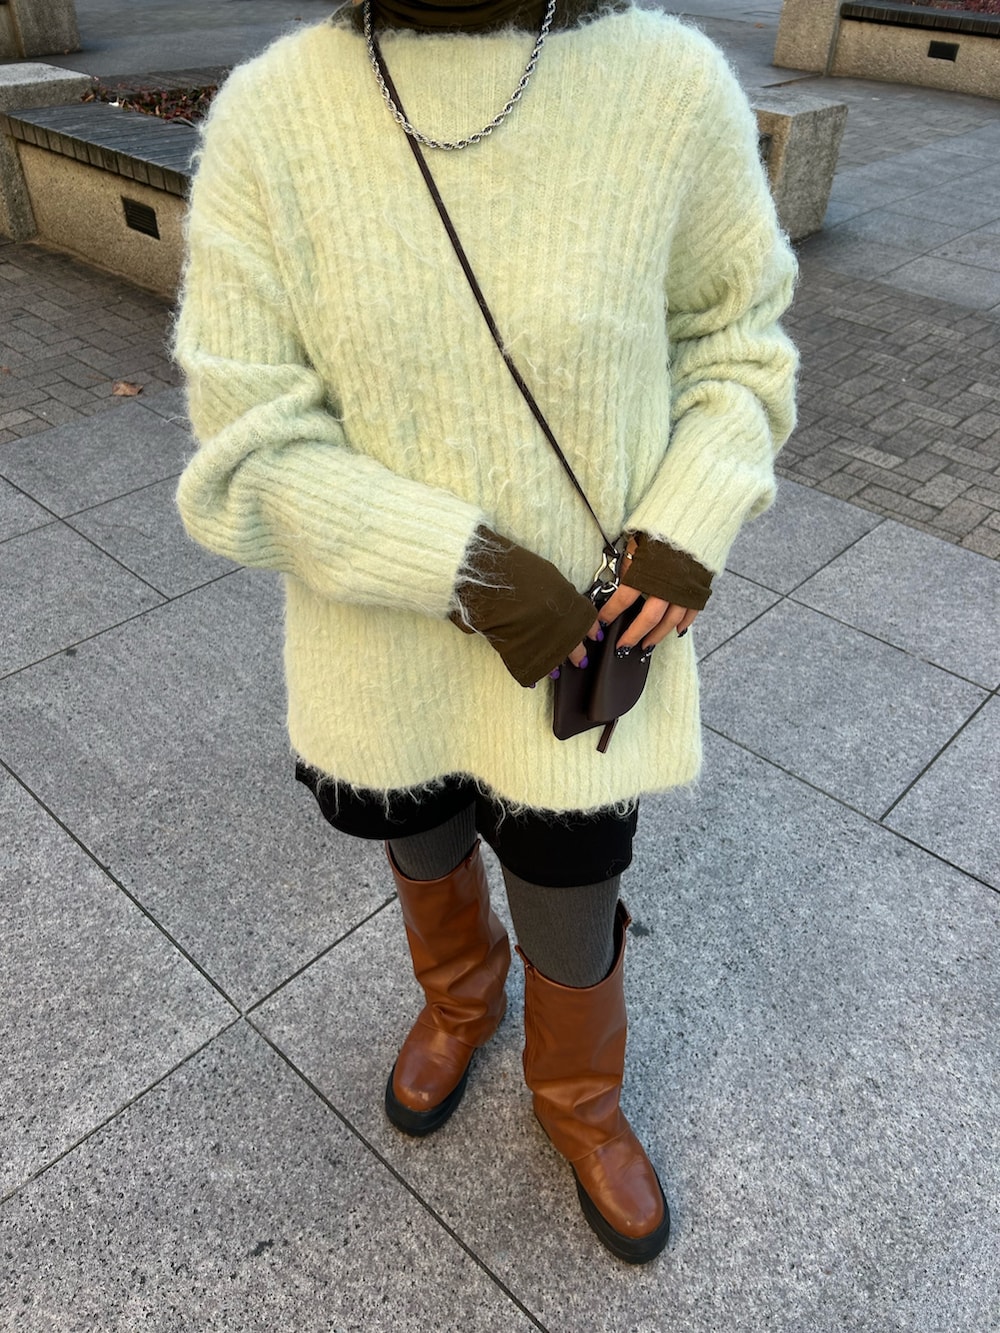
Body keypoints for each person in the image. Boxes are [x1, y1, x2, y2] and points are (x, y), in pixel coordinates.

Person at [174, 0, 797, 1265]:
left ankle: (579, 1097)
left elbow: (736, 348)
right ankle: (460, 999)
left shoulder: (669, 85)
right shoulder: (272, 113)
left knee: (574, 885)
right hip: (381, 648)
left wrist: (690, 513)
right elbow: (246, 446)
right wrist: (466, 570)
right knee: (419, 838)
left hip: (588, 648)